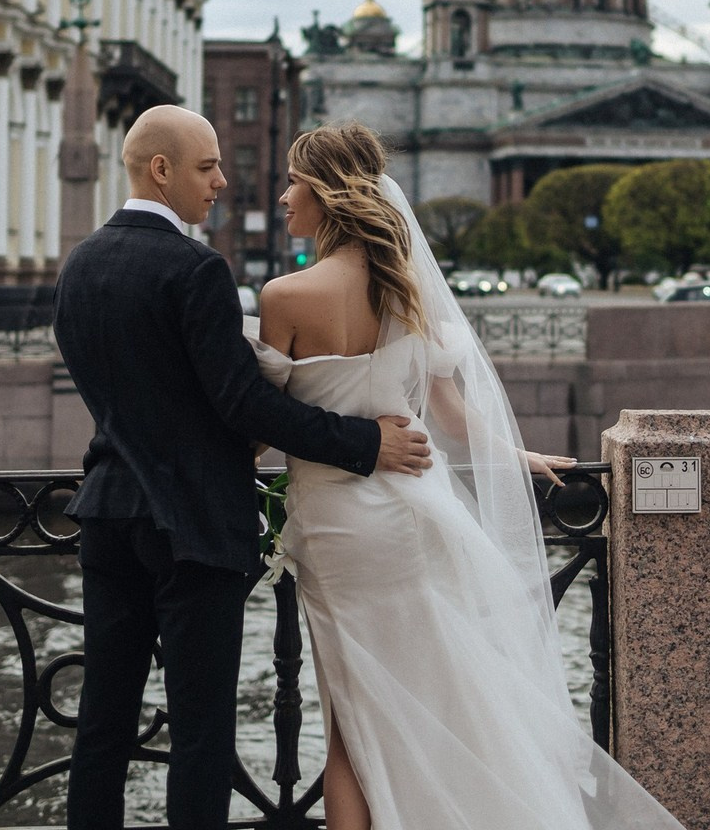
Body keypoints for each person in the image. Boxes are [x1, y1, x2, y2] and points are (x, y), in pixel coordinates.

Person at [251, 121, 687, 830]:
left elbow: (263, 424)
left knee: (348, 721)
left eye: (295, 181)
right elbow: (452, 419)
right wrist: (520, 456)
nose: (283, 196)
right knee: (437, 693)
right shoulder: (406, 291)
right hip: (411, 517)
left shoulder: (285, 297)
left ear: (328, 194)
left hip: (338, 529)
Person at [53, 105, 432, 830]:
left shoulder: (81, 264)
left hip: (105, 515)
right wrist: (364, 442)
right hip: (194, 530)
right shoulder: (194, 269)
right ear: (160, 170)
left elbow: (127, 397)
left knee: (102, 726)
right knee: (200, 735)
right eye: (207, 168)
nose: (223, 182)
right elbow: (244, 406)